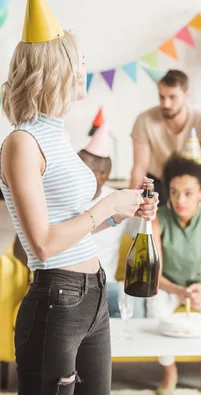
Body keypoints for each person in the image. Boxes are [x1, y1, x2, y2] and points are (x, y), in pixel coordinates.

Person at [0, 1, 158, 395]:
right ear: (53, 69)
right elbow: (44, 243)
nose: (85, 65)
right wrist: (105, 206)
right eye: (77, 59)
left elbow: (76, 225)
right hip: (56, 300)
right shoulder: (22, 142)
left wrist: (122, 212)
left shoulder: (60, 137)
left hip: (93, 295)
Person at [146, 131, 201, 395]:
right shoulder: (159, 218)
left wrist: (199, 288)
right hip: (168, 285)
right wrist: (177, 291)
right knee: (154, 308)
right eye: (174, 192)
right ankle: (170, 373)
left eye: (188, 193)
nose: (180, 200)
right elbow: (154, 274)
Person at [77, 112, 145, 318]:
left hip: (103, 286)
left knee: (134, 300)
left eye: (83, 169)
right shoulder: (66, 198)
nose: (75, 172)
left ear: (103, 175)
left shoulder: (118, 202)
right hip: (70, 284)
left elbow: (143, 236)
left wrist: (147, 209)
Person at [129, 69, 201, 213]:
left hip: (193, 184)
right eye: (162, 97)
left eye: (172, 97)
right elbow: (139, 167)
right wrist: (130, 205)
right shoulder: (144, 120)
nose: (166, 103)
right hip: (159, 183)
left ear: (186, 94)